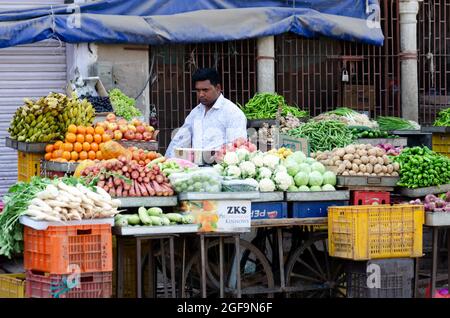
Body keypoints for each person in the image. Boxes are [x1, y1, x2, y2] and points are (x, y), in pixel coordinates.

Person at [165, 68, 247, 158]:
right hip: (196, 168)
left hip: (221, 168)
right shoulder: (195, 113)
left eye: (205, 90)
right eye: (198, 90)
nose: (201, 94)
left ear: (218, 88)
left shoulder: (232, 113)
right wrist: (166, 162)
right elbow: (180, 141)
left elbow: (238, 149)